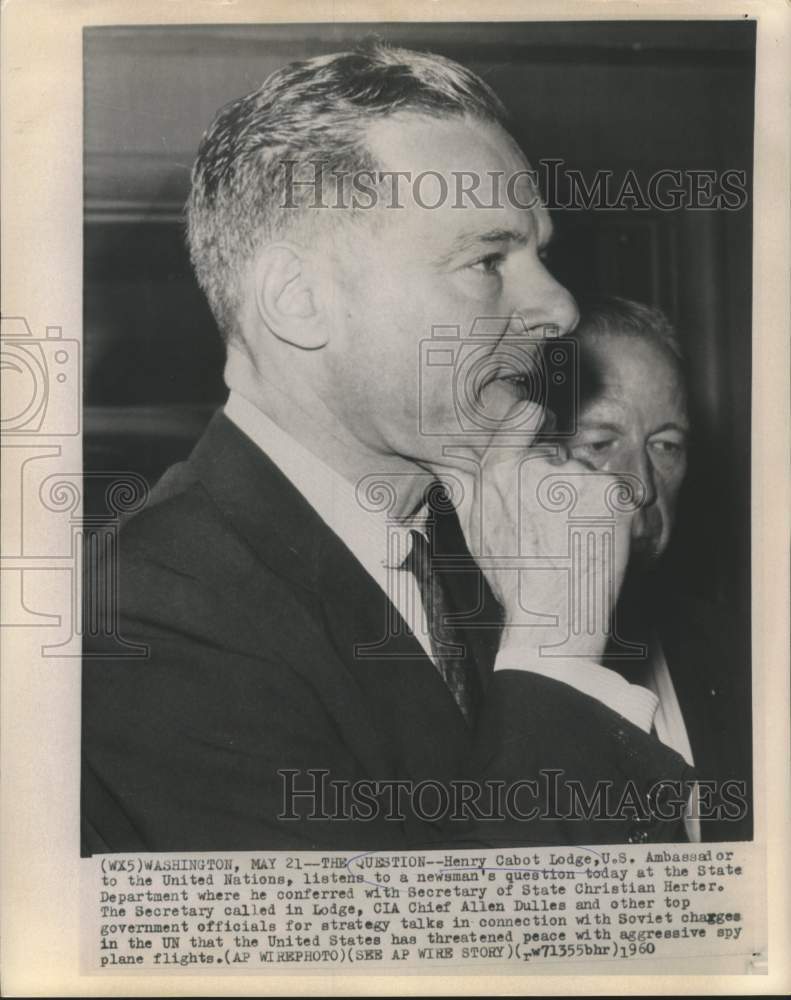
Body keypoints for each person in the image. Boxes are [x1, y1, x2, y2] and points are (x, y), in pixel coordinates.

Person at [82, 42, 697, 853]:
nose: (559, 307)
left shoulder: (479, 544)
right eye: (487, 259)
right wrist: (556, 645)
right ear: (298, 300)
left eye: (538, 253)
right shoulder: (147, 613)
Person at [546, 297, 751, 841]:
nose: (641, 484)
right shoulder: (467, 674)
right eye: (599, 442)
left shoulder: (736, 654)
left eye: (665, 445)